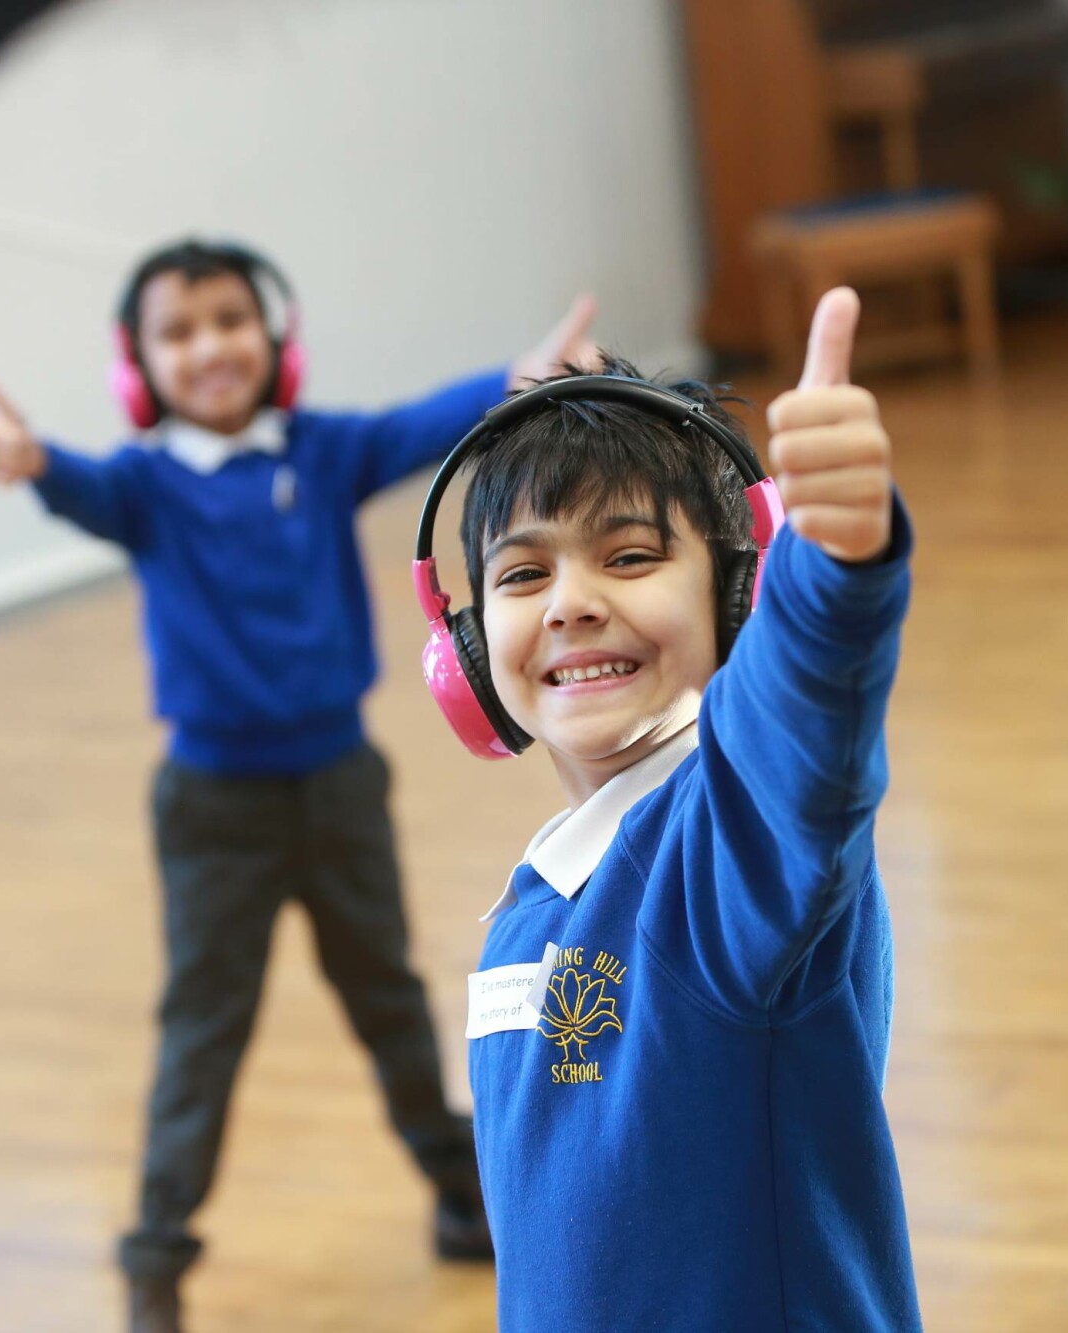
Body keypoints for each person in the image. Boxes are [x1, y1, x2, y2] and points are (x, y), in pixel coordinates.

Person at [0, 236, 597, 1333]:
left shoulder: (320, 453)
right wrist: (33, 464)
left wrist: (518, 381)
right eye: (178, 332)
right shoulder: (140, 487)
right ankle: (155, 1255)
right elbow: (71, 484)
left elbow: (423, 423)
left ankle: (462, 1200)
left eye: (229, 320)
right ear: (139, 369)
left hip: (338, 785)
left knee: (388, 1000)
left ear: (276, 342)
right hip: (213, 809)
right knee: (204, 1026)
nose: (209, 347)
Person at [414, 288, 922, 1329]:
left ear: (738, 596)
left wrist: (831, 575)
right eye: (522, 571)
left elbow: (802, 741)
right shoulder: (547, 881)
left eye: (630, 556)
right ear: (464, 646)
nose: (570, 600)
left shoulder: (729, 853)